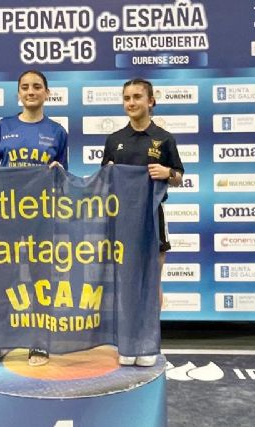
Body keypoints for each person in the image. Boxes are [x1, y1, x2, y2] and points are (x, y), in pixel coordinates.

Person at [0, 70, 68, 367]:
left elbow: (63, 177)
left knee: (41, 279)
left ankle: (40, 342)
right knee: (3, 279)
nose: (31, 91)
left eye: (37, 87)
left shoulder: (57, 131)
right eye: (25, 87)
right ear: (18, 93)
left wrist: (59, 172)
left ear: (46, 93)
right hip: (6, 214)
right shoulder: (3, 127)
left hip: (41, 215)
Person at [101, 78, 184, 367]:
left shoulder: (164, 138)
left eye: (137, 97)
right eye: (127, 98)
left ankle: (147, 345)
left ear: (151, 101)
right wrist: (108, 173)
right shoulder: (114, 140)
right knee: (125, 283)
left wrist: (167, 173)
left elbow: (179, 177)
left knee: (150, 282)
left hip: (152, 219)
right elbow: (103, 180)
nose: (131, 102)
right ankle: (127, 343)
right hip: (121, 220)